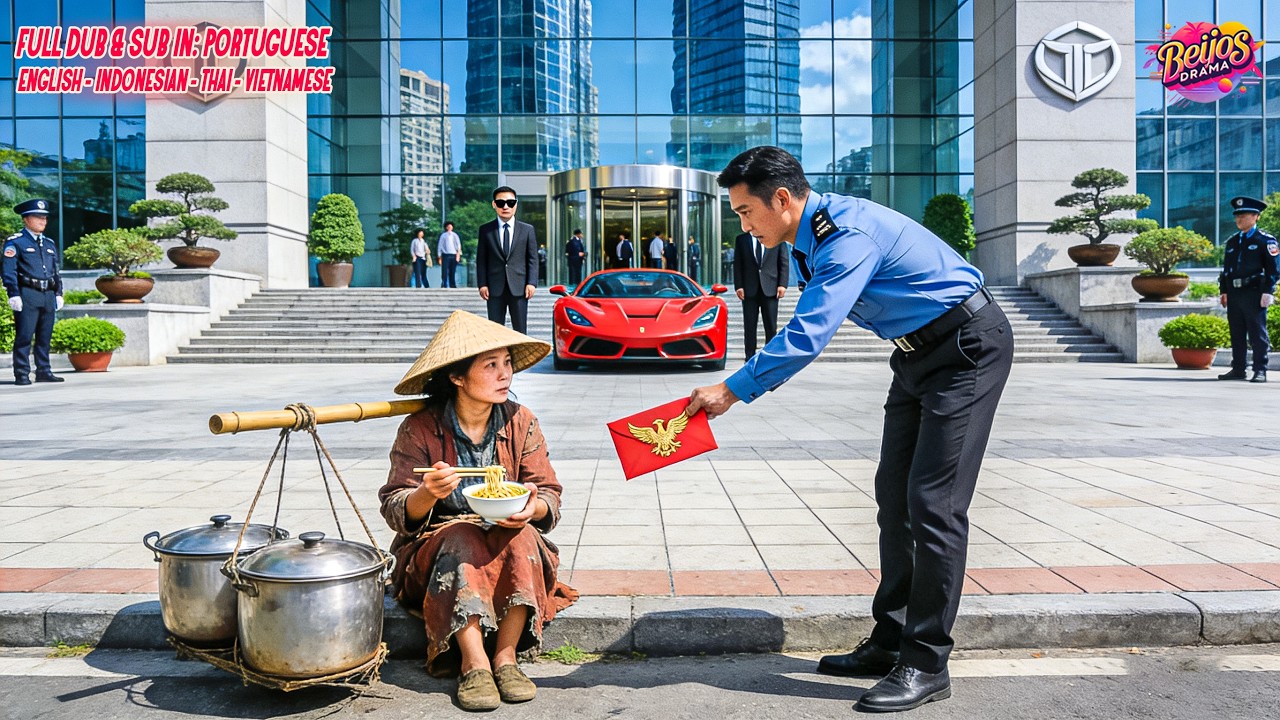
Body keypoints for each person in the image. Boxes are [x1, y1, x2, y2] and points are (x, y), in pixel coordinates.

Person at [685, 147, 1013, 713]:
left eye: (744, 211)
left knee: (934, 505)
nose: (742, 223)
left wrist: (732, 389)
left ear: (781, 200)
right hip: (915, 357)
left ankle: (926, 661)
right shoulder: (807, 238)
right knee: (895, 501)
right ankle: (890, 641)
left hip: (965, 350)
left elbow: (809, 333)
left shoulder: (845, 237)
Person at [379, 310, 577, 711]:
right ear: (457, 377)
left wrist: (531, 506)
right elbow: (395, 505)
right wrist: (427, 494)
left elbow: (550, 494)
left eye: (507, 364)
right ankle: (474, 664)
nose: (505, 375)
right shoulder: (420, 429)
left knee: (522, 535)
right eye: (491, 366)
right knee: (462, 535)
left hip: (507, 535)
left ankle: (506, 657)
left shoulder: (521, 421)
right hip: (436, 551)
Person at [2, 199, 64, 386]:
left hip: (47, 294)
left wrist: (58, 292)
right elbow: (8, 270)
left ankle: (44, 371)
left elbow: (55, 271)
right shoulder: (16, 243)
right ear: (26, 219)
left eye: (44, 218)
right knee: (25, 336)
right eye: (38, 217)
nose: (43, 221)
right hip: (27, 293)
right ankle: (21, 373)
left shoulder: (50, 244)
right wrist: (13, 293)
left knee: (45, 336)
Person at [1219, 196, 1279, 383]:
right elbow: (1226, 270)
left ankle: (1260, 369)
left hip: (1254, 292)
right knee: (1236, 332)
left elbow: (1273, 269)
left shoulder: (1265, 240)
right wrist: (1224, 291)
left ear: (1256, 217)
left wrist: (1268, 291)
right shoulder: (1233, 242)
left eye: (1244, 216)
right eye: (1237, 216)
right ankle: (1238, 369)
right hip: (1235, 293)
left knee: (1256, 333)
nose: (1239, 220)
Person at [475, 187, 538, 332]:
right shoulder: (486, 230)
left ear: (516, 204)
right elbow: (481, 260)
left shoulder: (527, 230)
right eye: (501, 202)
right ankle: (499, 356)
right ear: (494, 204)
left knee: (520, 330)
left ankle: (519, 356)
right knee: (496, 331)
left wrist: (532, 282)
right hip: (494, 288)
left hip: (520, 287)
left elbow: (532, 259)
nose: (505, 206)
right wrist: (482, 284)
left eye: (510, 202)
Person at [733, 229, 789, 360]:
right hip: (749, 290)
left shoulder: (776, 237)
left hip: (770, 288)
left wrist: (782, 284)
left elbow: (784, 262)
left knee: (770, 326)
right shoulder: (742, 240)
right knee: (749, 325)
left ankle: (770, 356)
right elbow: (737, 264)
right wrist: (739, 286)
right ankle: (749, 357)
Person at [438, 221, 462, 288]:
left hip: (453, 255)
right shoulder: (443, 235)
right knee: (444, 271)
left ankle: (452, 284)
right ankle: (444, 283)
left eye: (450, 226)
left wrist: (458, 255)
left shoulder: (455, 235)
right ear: (446, 227)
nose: (449, 228)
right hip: (445, 255)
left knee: (452, 270)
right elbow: (440, 246)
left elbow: (458, 246)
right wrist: (439, 256)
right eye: (448, 226)